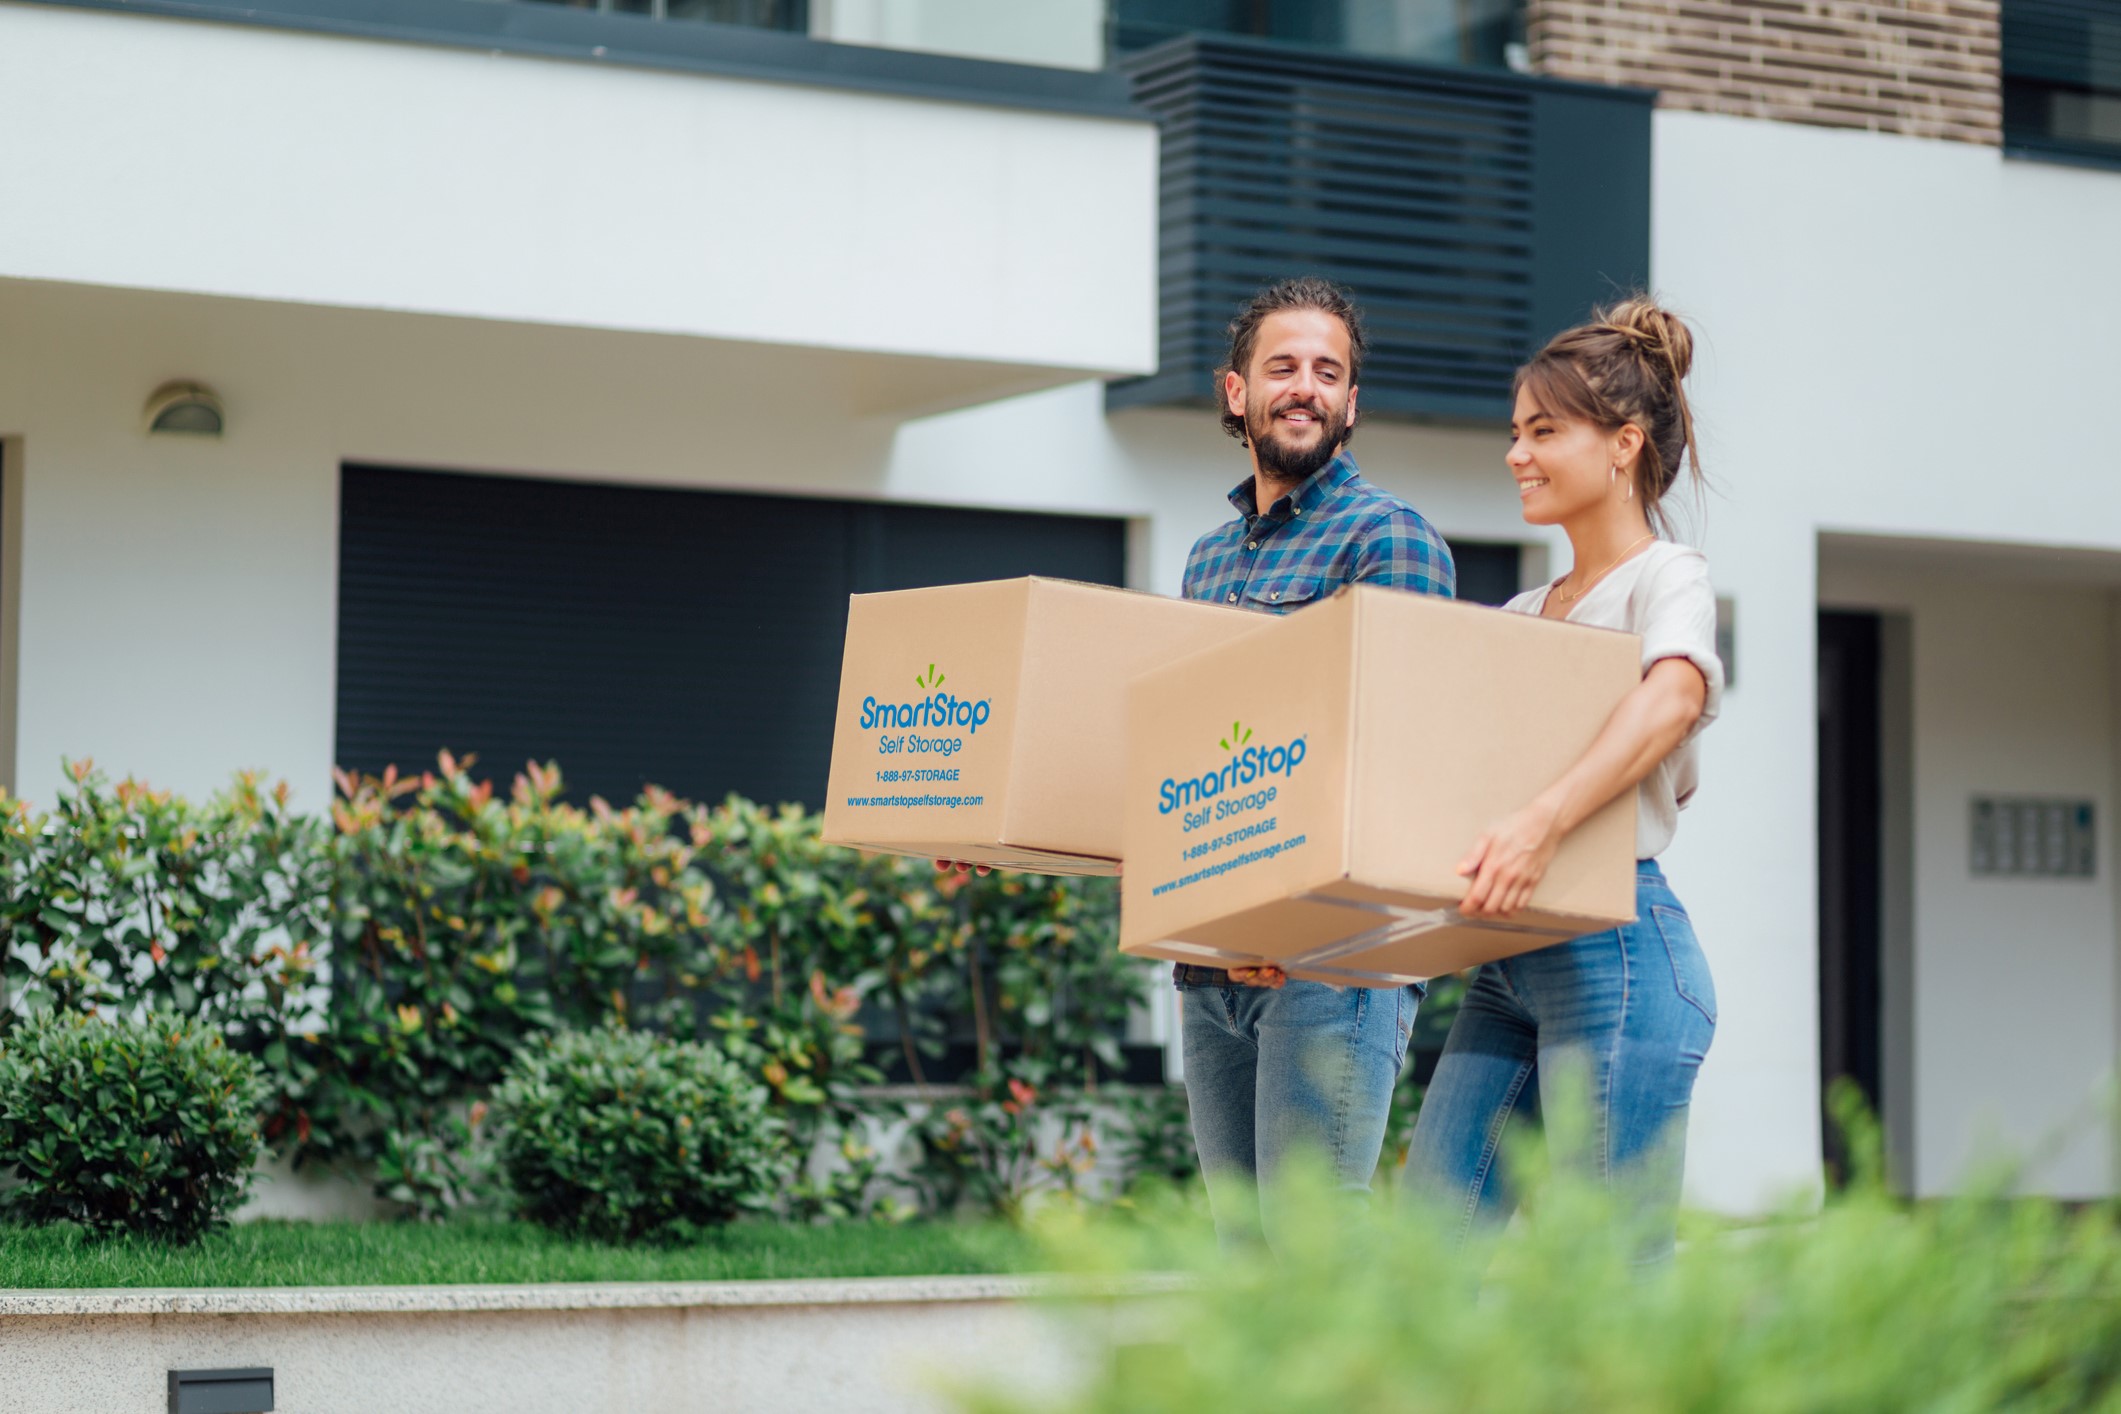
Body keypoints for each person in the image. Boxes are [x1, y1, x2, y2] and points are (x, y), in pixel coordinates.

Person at [1400, 296, 1720, 1268]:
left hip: (1619, 951)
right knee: (1427, 1259)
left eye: (1543, 431)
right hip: (1509, 963)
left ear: (1623, 444)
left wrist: (1541, 822)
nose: (1516, 454)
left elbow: (1674, 697)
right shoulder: (1523, 611)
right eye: (1515, 433)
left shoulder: (1666, 577)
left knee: (1609, 1281)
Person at [1172, 276, 1454, 1244]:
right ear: (1236, 392)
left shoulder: (1389, 539)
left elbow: (1399, 756)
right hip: (1214, 967)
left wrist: (1287, 922)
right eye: (1282, 367)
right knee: (1246, 1259)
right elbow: (1192, 759)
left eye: (1328, 373)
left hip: (1333, 967)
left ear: (1351, 404)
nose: (1305, 387)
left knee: (1312, 1252)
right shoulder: (1208, 561)